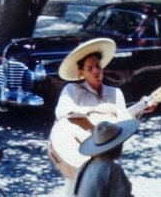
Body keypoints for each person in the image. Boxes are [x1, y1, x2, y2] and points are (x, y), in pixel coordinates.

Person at [49, 38, 133, 179]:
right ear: (81, 72)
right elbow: (62, 112)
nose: (96, 71)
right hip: (78, 154)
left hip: (106, 152)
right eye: (90, 68)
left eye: (98, 66)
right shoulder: (72, 90)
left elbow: (123, 122)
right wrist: (94, 110)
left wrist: (141, 110)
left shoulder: (115, 93)